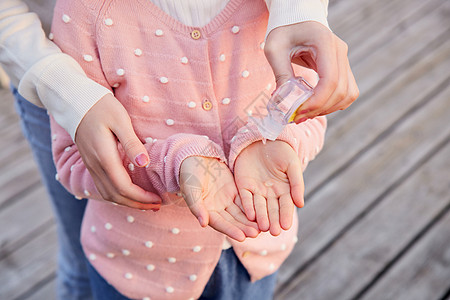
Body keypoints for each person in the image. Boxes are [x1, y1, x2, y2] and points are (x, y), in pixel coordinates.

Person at [1, 0, 358, 299]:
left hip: (256, 255)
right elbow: (74, 159)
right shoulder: (87, 13)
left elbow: (308, 104)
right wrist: (177, 162)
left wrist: (277, 140)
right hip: (137, 271)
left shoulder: (279, 11)